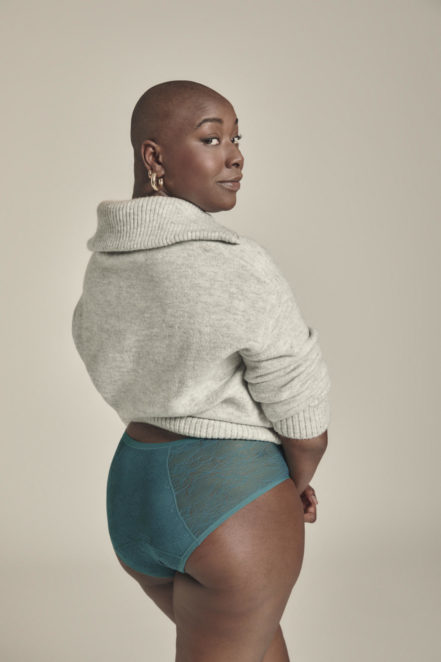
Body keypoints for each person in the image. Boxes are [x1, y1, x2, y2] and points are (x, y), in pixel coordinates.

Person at [71, 79, 331, 662]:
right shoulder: (235, 263)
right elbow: (303, 413)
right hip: (230, 502)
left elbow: (101, 354)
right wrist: (294, 483)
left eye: (237, 139)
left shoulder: (105, 264)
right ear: (154, 156)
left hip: (133, 494)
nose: (235, 156)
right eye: (212, 139)